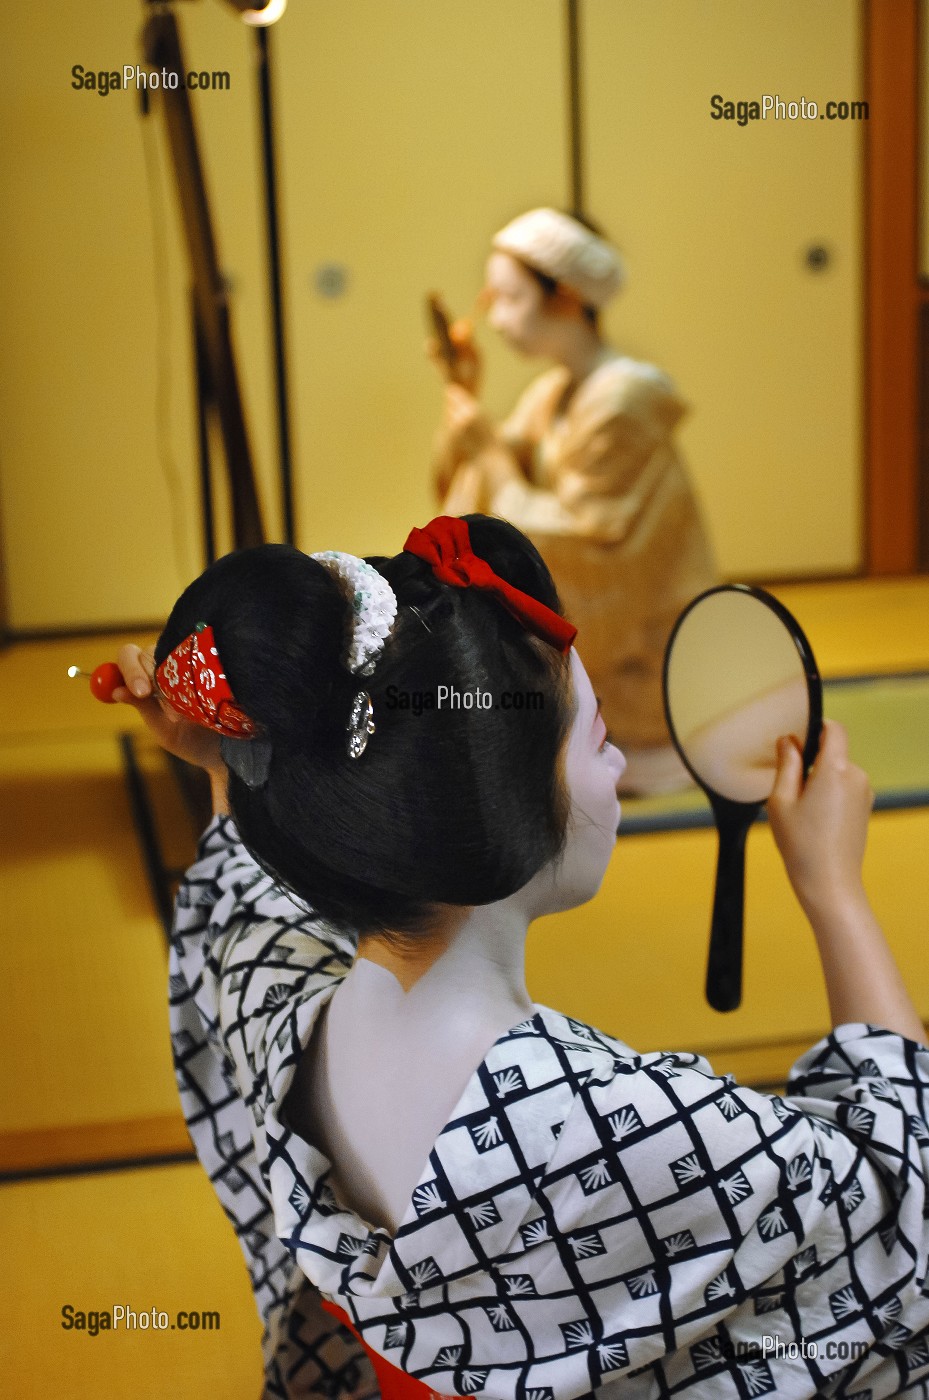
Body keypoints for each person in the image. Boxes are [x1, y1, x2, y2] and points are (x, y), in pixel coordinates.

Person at [112, 515, 929, 1399]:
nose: (615, 764)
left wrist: (227, 767)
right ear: (500, 810)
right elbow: (903, 1208)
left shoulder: (279, 1009)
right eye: (595, 736)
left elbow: (249, 897)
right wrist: (833, 892)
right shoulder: (611, 1123)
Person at [430, 208, 717, 794]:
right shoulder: (555, 391)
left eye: (510, 298)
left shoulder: (622, 402)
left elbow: (586, 546)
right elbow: (472, 484)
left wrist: (487, 452)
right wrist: (463, 393)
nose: (497, 319)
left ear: (563, 299)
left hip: (641, 643)